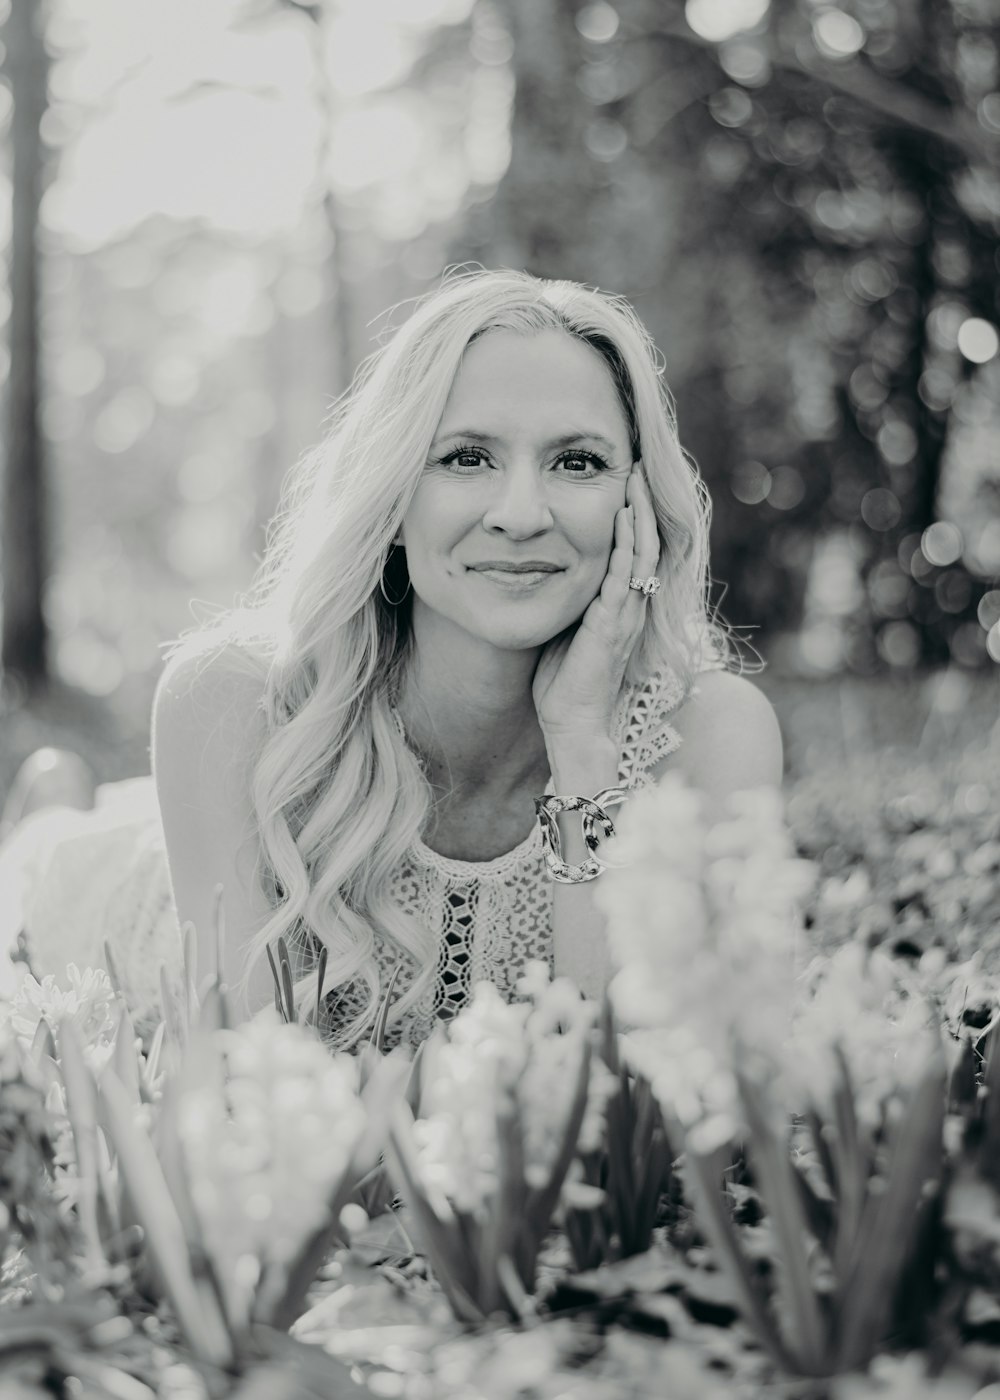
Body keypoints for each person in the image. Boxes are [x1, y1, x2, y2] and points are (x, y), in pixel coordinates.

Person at [4, 269, 782, 1048]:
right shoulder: (228, 697)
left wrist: (581, 749)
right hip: (108, 905)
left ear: (637, 501)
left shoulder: (710, 739)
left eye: (576, 462)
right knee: (48, 858)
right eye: (466, 458)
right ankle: (49, 810)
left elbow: (625, 1094)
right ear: (395, 497)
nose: (520, 515)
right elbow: (250, 1082)